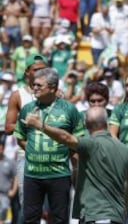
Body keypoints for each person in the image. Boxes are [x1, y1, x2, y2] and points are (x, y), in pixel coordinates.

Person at [21, 106, 128, 224]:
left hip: (96, 216)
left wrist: (40, 125)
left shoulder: (90, 145)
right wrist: (125, 205)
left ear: (85, 124)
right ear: (106, 123)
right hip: (116, 217)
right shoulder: (124, 149)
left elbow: (65, 138)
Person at [14, 68, 84, 223]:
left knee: (60, 219)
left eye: (39, 85)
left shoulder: (69, 109)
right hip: (32, 174)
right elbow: (20, 138)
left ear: (53, 88)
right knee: (30, 219)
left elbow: (78, 142)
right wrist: (36, 153)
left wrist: (76, 170)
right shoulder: (27, 108)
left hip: (59, 174)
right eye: (33, 85)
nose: (34, 88)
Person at [4, 54, 48, 224]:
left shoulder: (55, 94)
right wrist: (31, 125)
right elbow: (8, 127)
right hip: (27, 154)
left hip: (53, 155)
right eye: (36, 69)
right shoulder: (18, 95)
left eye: (44, 69)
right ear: (27, 73)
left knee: (55, 206)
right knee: (28, 205)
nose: (41, 72)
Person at [0, 137, 17, 224]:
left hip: (5, 195)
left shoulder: (10, 162)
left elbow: (15, 177)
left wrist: (13, 191)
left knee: (3, 213)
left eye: (1, 147)